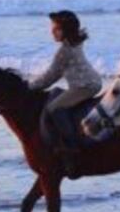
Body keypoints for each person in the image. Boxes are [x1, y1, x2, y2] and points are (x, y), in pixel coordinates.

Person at [29, 10, 103, 179]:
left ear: (66, 30)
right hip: (89, 82)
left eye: (56, 28)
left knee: (53, 109)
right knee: (55, 94)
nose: (52, 31)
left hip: (85, 86)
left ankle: (71, 147)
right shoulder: (73, 43)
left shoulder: (64, 51)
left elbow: (51, 76)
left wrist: (30, 87)